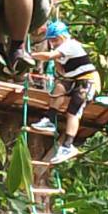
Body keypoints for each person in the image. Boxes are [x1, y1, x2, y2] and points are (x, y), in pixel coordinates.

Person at [28, 19, 100, 165]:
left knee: (73, 111)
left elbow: (48, 56)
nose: (53, 44)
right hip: (73, 80)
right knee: (59, 87)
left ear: (62, 37)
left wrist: (29, 55)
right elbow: (61, 71)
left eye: (55, 40)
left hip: (88, 81)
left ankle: (68, 145)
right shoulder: (61, 51)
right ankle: (50, 119)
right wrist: (57, 61)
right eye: (51, 41)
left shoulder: (71, 45)